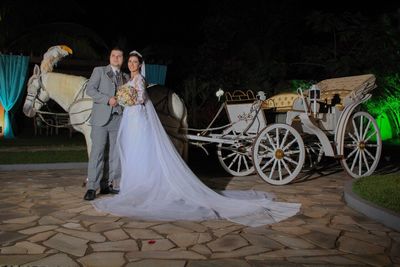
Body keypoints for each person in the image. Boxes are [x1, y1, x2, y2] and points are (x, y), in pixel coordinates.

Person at [92, 51, 301, 227]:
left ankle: (145, 187)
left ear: (140, 64)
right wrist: (122, 97)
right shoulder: (128, 78)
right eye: (130, 61)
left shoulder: (140, 79)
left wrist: (128, 98)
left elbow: (141, 98)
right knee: (131, 152)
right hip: (130, 118)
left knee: (141, 151)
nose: (132, 64)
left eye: (135, 62)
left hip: (138, 117)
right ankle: (133, 185)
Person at [84, 47, 130, 201]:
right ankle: (92, 187)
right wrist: (107, 99)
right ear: (109, 57)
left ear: (123, 59)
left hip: (118, 119)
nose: (116, 58)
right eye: (113, 55)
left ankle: (108, 184)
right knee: (97, 153)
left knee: (114, 155)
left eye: (119, 56)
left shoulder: (126, 77)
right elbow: (90, 89)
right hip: (100, 120)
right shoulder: (99, 71)